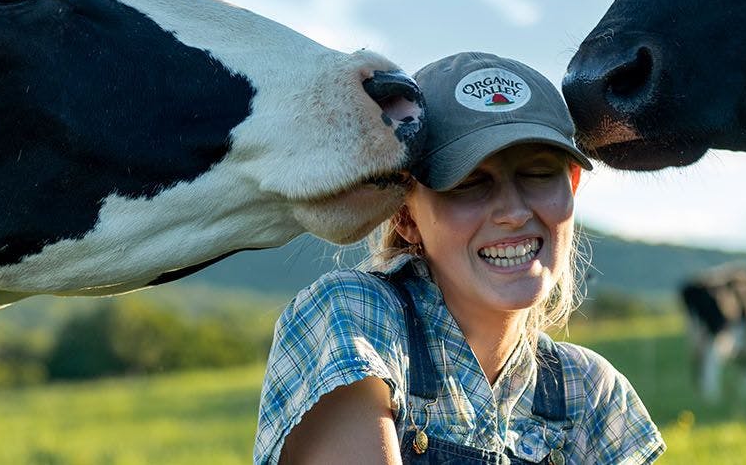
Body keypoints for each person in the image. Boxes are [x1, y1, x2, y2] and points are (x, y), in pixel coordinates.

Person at [254, 52, 664, 464]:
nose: (515, 212)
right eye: (469, 183)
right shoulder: (352, 317)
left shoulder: (590, 394)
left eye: (538, 174)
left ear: (572, 186)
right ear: (405, 215)